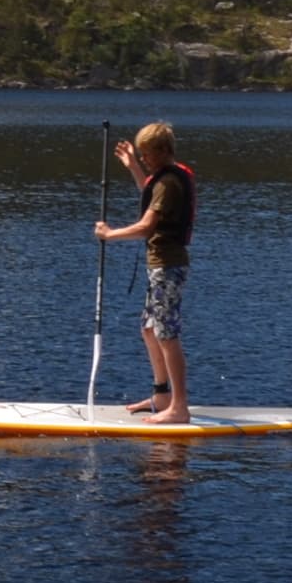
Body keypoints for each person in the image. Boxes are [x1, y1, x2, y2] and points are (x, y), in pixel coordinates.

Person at [92, 121, 198, 422]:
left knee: (166, 334)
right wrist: (133, 166)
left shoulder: (170, 183)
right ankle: (162, 394)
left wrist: (109, 235)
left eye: (148, 154)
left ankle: (179, 407)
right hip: (158, 266)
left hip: (168, 266)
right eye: (142, 155)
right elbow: (148, 191)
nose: (146, 159)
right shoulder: (162, 180)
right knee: (149, 329)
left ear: (164, 151)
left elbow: (146, 226)